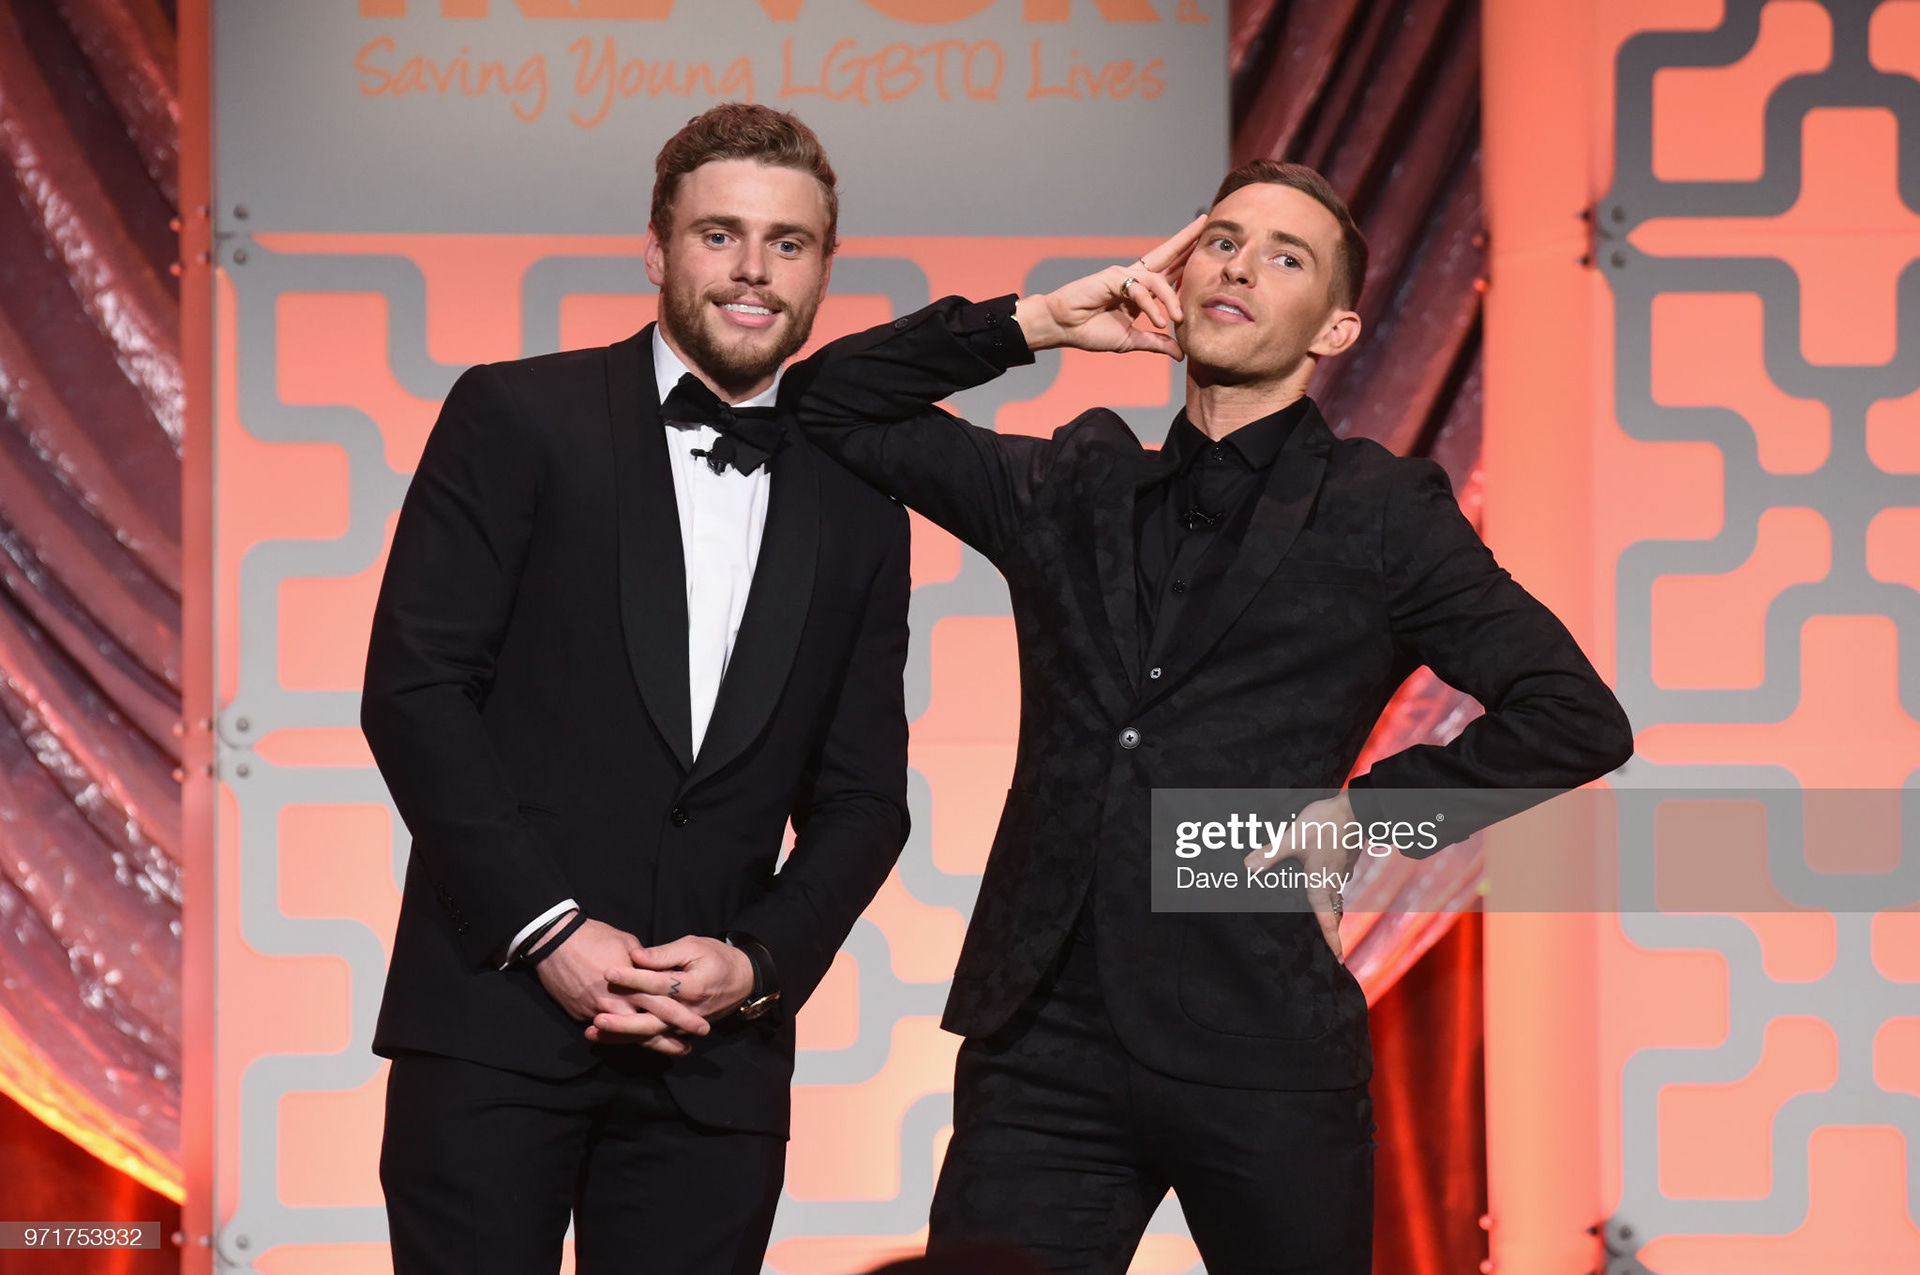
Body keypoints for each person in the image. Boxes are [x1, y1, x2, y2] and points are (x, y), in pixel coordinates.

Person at [781, 160, 1635, 1274]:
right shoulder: (1076, 487)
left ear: (1333, 332)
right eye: (1221, 241)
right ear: (1179, 278)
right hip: (1043, 1040)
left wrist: (1364, 817)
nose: (1239, 265)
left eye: (1286, 256)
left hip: (1260, 1031)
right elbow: (827, 402)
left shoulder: (1380, 514)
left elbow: (1575, 715)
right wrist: (1038, 322)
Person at [361, 104, 912, 1275]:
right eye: (721, 235)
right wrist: (547, 931)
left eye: (789, 243)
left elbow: (866, 799)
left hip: (715, 1070)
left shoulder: (862, 502)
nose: (754, 271)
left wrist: (757, 967)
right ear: (657, 250)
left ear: (823, 270)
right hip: (494, 1026)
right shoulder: (517, 414)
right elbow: (415, 691)